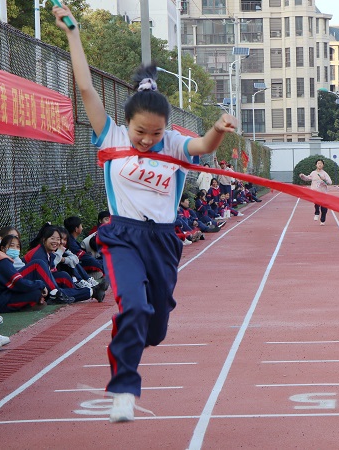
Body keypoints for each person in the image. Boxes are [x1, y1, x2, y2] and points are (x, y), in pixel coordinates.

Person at [53, 4, 237, 423]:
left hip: (163, 243)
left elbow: (204, 148)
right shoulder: (111, 136)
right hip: (122, 237)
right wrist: (74, 35)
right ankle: (122, 390)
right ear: (127, 124)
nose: (146, 140)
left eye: (155, 133)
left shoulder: (172, 144)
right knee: (132, 309)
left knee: (154, 327)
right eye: (140, 132)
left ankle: (146, 335)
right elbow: (85, 90)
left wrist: (218, 128)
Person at [299, 158, 332, 226]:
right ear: (316, 165)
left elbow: (330, 182)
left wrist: (324, 179)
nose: (319, 165)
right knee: (316, 203)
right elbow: (307, 178)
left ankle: (322, 220)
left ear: (323, 165)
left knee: (324, 208)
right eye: (318, 163)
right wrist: (302, 176)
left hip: (323, 193)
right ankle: (317, 213)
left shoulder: (324, 174)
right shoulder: (313, 173)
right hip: (315, 192)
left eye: (321, 163)